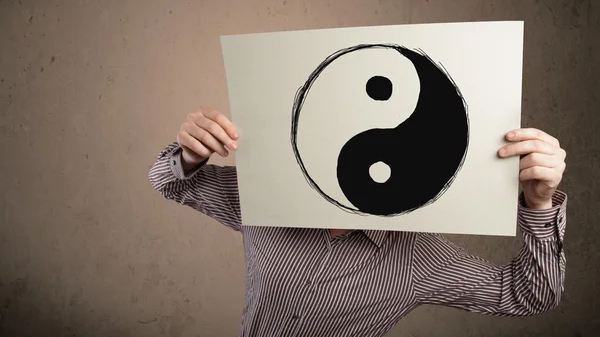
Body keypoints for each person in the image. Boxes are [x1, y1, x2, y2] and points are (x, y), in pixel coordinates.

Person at [149, 106, 567, 337]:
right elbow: (171, 183)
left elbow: (530, 295)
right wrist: (191, 154)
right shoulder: (268, 198)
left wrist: (539, 204)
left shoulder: (418, 256)